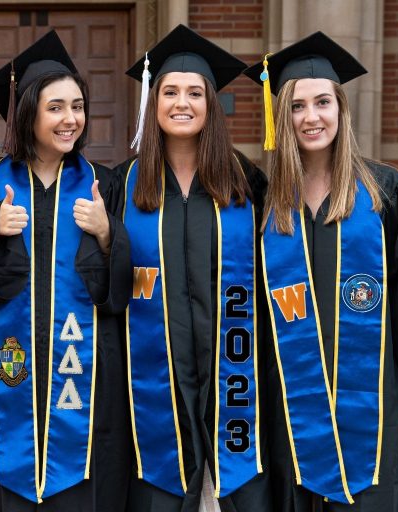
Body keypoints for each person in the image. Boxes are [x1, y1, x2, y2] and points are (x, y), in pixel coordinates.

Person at [242, 32, 398, 511]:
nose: (311, 117)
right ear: (281, 117)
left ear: (341, 109)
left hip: (375, 391)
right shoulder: (264, 202)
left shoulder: (383, 190)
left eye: (322, 102)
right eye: (296, 106)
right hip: (289, 390)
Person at [0, 30, 132, 511]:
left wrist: (106, 234)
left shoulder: (102, 183)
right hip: (6, 367)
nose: (70, 118)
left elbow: (123, 288)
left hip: (86, 370)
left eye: (77, 106)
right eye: (56, 107)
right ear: (27, 110)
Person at [114, 25, 272, 512]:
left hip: (235, 368)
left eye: (195, 92)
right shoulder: (124, 183)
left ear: (211, 105)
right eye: (170, 92)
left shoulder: (248, 183)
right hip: (150, 372)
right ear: (153, 102)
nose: (182, 103)